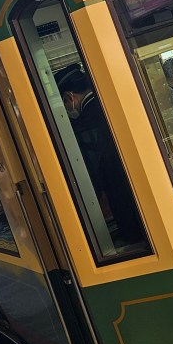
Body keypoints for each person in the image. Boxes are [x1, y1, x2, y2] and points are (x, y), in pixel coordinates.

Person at [57, 68, 145, 244]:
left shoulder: (84, 124)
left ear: (70, 97)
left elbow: (93, 167)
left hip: (119, 191)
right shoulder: (108, 102)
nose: (68, 110)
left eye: (65, 104)